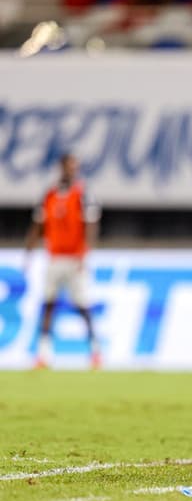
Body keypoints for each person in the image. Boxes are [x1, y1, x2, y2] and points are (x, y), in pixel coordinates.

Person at [24, 153, 101, 369]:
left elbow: (91, 225)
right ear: (61, 168)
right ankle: (43, 354)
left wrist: (86, 253)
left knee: (83, 305)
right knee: (48, 304)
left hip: (75, 258)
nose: (72, 170)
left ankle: (95, 351)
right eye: (69, 166)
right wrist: (29, 252)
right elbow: (38, 226)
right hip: (54, 257)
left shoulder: (83, 194)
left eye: (74, 167)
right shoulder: (49, 195)